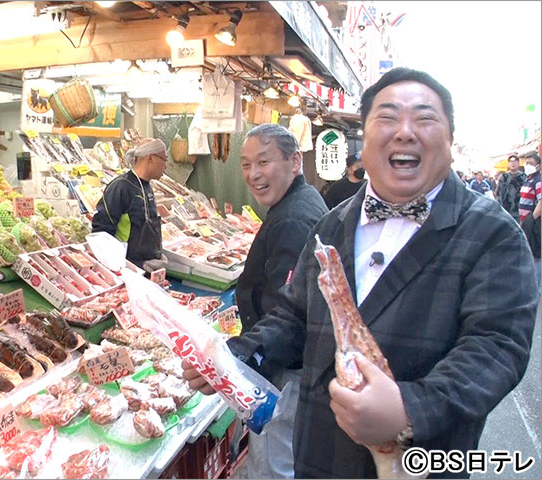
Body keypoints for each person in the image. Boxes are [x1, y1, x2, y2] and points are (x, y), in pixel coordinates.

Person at [183, 68, 537, 478]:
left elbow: (497, 347)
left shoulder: (492, 233)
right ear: (364, 145)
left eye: (424, 118)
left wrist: (410, 408)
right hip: (319, 456)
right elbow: (294, 316)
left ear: (451, 142)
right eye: (386, 118)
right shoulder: (331, 226)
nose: (404, 132)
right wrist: (239, 356)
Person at [235, 124, 328, 478]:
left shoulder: (293, 218)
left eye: (263, 161)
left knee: (275, 464)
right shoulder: (299, 201)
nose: (253, 174)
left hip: (285, 371)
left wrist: (241, 357)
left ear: (294, 161)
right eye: (245, 164)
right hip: (294, 364)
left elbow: (286, 311)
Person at [91, 138, 167, 270]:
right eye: (164, 159)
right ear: (150, 158)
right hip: (126, 271)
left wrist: (156, 253)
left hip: (148, 270)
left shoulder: (146, 186)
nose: (166, 166)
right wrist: (129, 265)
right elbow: (101, 232)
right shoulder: (121, 187)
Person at [519, 152, 541, 290]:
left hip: (534, 223)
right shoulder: (528, 179)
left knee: (535, 255)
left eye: (531, 163)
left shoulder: (538, 180)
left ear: (538, 165)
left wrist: (532, 219)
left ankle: (536, 288)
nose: (528, 166)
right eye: (526, 163)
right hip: (526, 222)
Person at [495, 154, 526, 220]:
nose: (513, 163)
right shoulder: (503, 177)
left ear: (518, 163)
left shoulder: (524, 177)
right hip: (506, 212)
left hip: (520, 211)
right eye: (511, 161)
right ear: (508, 164)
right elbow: (498, 194)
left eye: (515, 161)